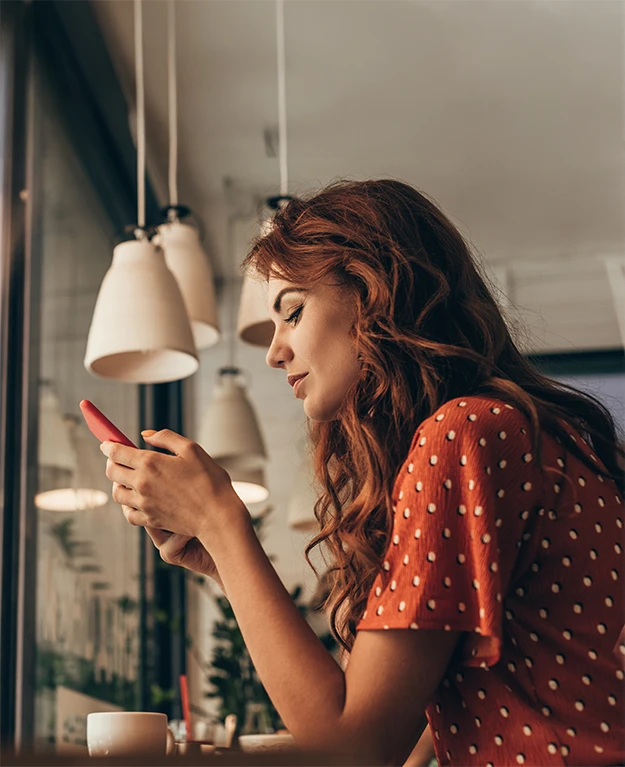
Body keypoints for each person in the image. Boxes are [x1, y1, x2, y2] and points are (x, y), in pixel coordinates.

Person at [101, 179, 625, 766]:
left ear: (374, 292)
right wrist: (222, 554)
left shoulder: (462, 434)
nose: (275, 353)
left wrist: (224, 523)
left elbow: (352, 747)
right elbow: (382, 710)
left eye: (293, 312)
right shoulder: (511, 430)